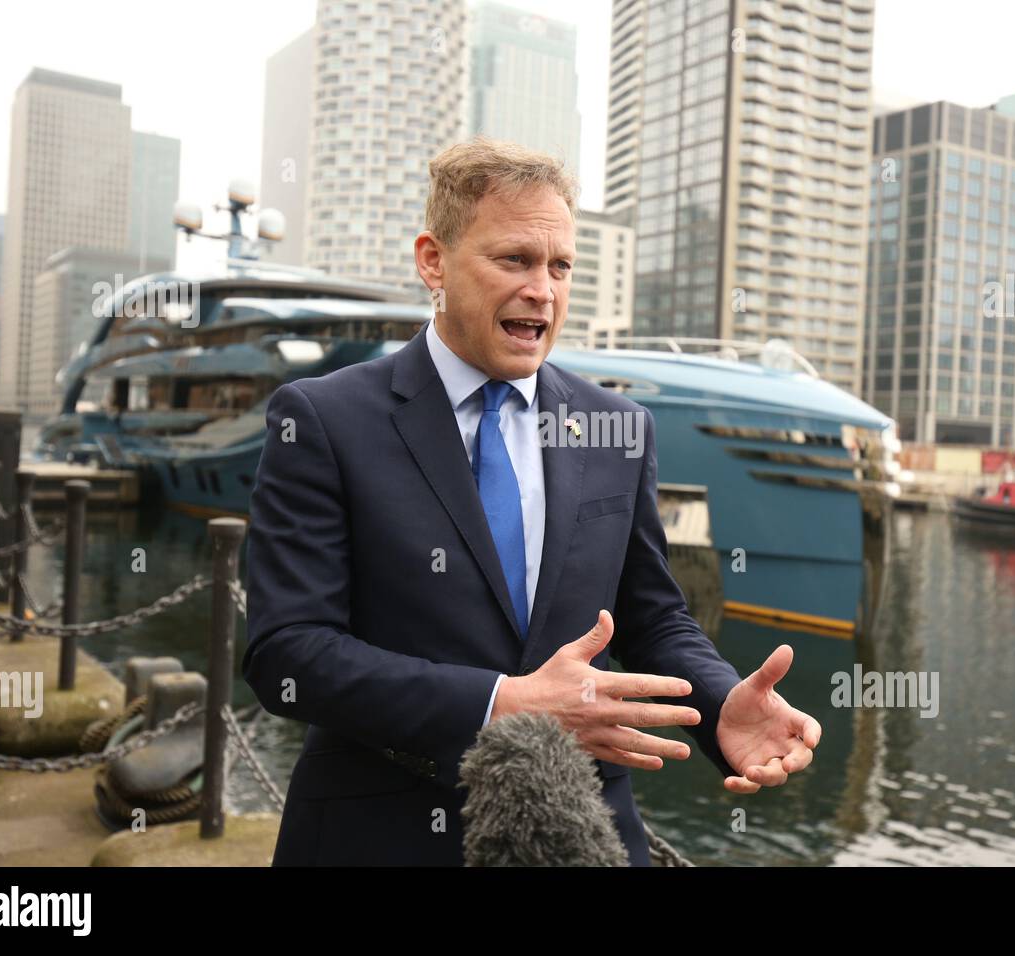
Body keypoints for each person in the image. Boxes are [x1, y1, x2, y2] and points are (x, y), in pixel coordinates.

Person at [242, 136, 821, 866]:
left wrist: (718, 704)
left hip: (584, 830)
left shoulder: (619, 427)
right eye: (514, 259)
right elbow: (286, 653)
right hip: (380, 833)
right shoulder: (323, 419)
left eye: (560, 266)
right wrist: (501, 705)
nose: (543, 289)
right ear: (434, 261)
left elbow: (653, 616)